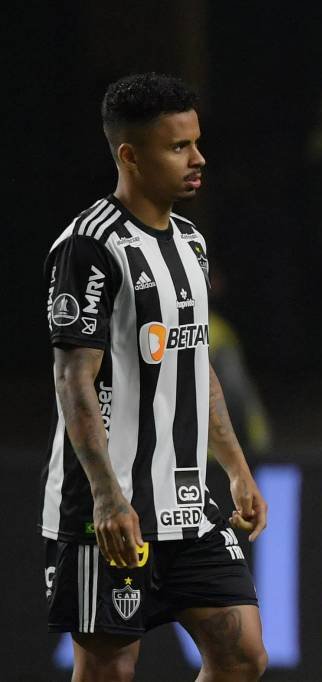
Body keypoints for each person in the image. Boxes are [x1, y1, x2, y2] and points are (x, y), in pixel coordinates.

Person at [42, 73, 268, 681]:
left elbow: (198, 367)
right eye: (178, 147)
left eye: (196, 142)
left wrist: (238, 468)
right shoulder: (90, 246)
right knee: (110, 671)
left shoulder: (191, 243)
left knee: (243, 655)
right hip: (109, 509)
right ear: (130, 155)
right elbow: (73, 380)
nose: (198, 159)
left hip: (189, 506)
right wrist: (107, 496)